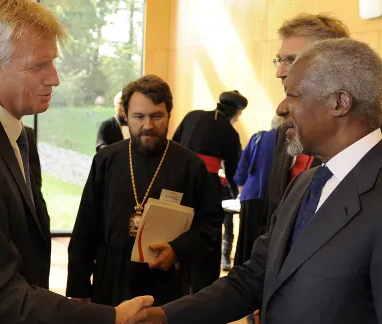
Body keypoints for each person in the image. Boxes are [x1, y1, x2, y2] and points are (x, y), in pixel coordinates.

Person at [125, 38, 382, 324]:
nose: (282, 108)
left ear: (339, 102)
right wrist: (166, 315)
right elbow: (254, 278)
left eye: (293, 95)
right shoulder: (306, 183)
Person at [0, 1, 150, 323]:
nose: (55, 79)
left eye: (53, 63)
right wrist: (112, 318)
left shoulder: (11, 131)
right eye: (38, 66)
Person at [66, 75, 224, 307]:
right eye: (139, 117)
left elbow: (210, 223)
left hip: (164, 281)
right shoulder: (106, 160)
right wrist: (79, 285)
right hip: (111, 279)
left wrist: (178, 250)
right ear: (125, 116)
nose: (148, 125)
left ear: (169, 115)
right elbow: (85, 226)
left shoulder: (191, 165)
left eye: (156, 116)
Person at [263, 13, 382, 232]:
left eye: (292, 60)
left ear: (334, 61)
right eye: (280, 60)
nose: (280, 72)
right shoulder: (286, 127)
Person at [172, 90, 246, 273]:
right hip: (207, 184)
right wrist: (234, 192)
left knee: (178, 225)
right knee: (207, 228)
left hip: (179, 179)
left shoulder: (192, 116)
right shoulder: (229, 131)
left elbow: (173, 143)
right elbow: (233, 169)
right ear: (237, 112)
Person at [233, 116, 281, 267]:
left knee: (245, 242)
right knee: (265, 245)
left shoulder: (257, 137)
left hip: (250, 195)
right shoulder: (287, 139)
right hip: (274, 198)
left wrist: (243, 191)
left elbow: (241, 170)